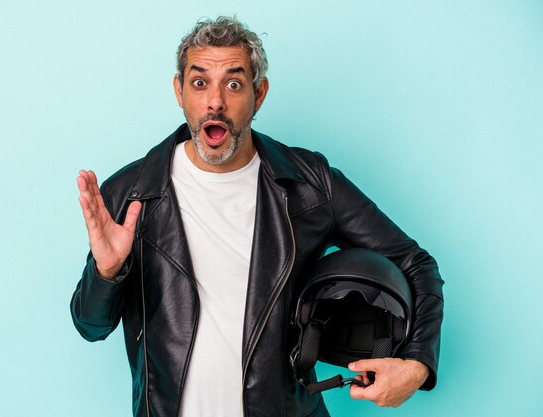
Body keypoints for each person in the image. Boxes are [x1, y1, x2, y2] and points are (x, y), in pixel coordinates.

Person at [71, 16, 444, 417]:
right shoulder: (130, 194)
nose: (215, 101)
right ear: (179, 91)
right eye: (200, 83)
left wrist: (416, 365)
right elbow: (91, 327)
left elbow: (415, 263)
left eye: (233, 84)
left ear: (259, 94)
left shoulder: (311, 185)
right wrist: (107, 273)